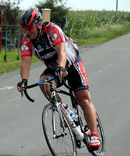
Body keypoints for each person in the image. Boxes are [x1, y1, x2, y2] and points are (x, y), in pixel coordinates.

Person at [17, 8, 101, 148]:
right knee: (44, 83)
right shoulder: (27, 41)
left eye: (29, 27)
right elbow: (25, 62)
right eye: (24, 28)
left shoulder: (52, 30)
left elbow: (61, 51)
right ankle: (64, 110)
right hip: (53, 67)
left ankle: (94, 134)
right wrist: (24, 80)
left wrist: (62, 67)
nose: (26, 31)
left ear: (38, 24)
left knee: (83, 97)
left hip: (71, 63)